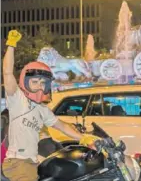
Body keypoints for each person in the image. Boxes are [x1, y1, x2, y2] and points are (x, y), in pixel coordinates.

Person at [1, 30, 98, 181]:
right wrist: (11, 45)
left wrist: (84, 138)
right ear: (25, 82)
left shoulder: (42, 110)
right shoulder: (17, 100)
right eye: (35, 82)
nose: (39, 86)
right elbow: (7, 73)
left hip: (33, 160)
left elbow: (62, 126)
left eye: (43, 83)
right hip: (18, 163)